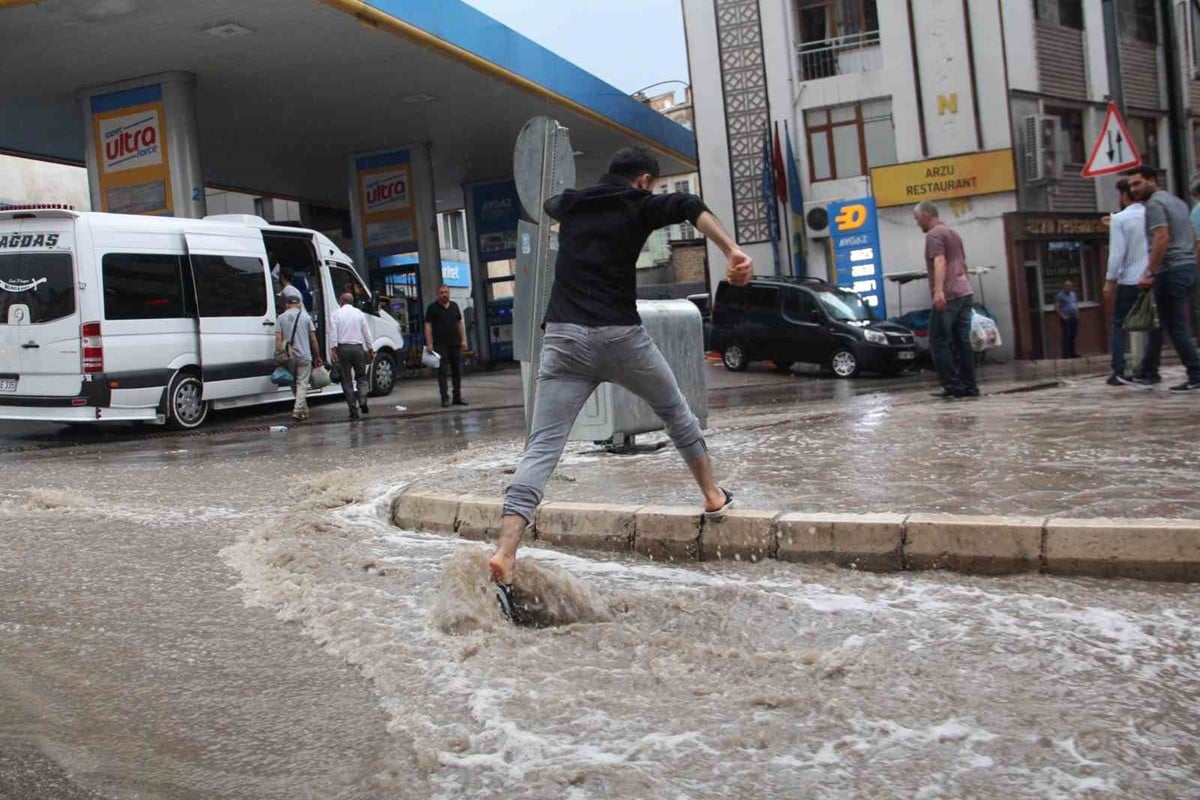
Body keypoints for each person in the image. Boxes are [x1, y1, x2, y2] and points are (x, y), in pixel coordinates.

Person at [486, 146, 753, 591]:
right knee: (675, 412)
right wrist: (732, 250)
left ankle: (505, 551)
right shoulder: (639, 203)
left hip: (564, 340)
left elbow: (550, 205)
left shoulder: (572, 204)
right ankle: (711, 495)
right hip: (621, 337)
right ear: (645, 181)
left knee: (542, 448)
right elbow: (691, 206)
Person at [1120, 166, 1200, 391]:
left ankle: (1195, 373)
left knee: (1175, 325)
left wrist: (1149, 271)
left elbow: (1161, 238)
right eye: (1131, 186)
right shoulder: (1178, 202)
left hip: (1171, 270)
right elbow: (1192, 236)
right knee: (1159, 322)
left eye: (1138, 183)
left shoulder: (1155, 204)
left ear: (1153, 181)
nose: (1133, 189)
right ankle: (1148, 371)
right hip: (1187, 268)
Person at [913, 200, 979, 398]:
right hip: (965, 292)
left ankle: (952, 386)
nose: (917, 224)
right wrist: (965, 283)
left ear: (926, 215)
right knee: (962, 341)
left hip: (949, 294)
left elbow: (940, 261)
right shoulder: (952, 233)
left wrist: (938, 291)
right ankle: (969, 387)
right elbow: (963, 263)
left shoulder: (934, 235)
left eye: (917, 219)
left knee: (938, 341)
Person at [1104, 178, 1147, 384]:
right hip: (1150, 278)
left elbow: (1117, 253)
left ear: (1123, 195)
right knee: (1149, 324)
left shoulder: (1120, 219)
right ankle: (1147, 368)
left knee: (1119, 325)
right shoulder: (1150, 214)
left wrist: (1110, 280)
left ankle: (1119, 370)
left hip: (1129, 280)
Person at [275, 294, 321, 421]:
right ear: (299, 304)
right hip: (304, 355)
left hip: (289, 356)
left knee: (294, 384)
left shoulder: (281, 318)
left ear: (286, 304)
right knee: (302, 384)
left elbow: (278, 338)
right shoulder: (306, 317)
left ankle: (303, 412)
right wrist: (317, 355)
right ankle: (297, 409)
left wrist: (279, 355)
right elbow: (313, 339)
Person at [329, 292, 374, 419]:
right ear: (352, 301)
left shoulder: (336, 314)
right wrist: (370, 349)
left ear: (341, 301)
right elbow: (366, 333)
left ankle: (353, 411)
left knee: (346, 380)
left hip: (342, 349)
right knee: (361, 376)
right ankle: (363, 400)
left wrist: (333, 350)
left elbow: (333, 333)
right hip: (357, 348)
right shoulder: (359, 313)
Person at [424, 284, 469, 408]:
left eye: (446, 292)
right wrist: (429, 343)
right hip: (440, 345)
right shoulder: (432, 308)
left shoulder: (454, 306)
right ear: (438, 294)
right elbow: (428, 326)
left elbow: (459, 323)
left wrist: (464, 340)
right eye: (442, 292)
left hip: (455, 343)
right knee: (442, 372)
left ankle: (457, 396)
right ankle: (444, 397)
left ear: (449, 293)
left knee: (457, 371)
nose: (444, 294)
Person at [1055, 279, 1080, 359]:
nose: (1069, 288)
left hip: (1074, 317)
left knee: (1073, 336)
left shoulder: (1073, 294)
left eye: (1070, 286)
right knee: (1066, 336)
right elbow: (1056, 307)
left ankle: (1073, 353)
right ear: (1064, 287)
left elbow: (1075, 303)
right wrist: (1062, 316)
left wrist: (1077, 313)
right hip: (1066, 319)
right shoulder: (1060, 296)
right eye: (1067, 286)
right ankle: (1066, 354)